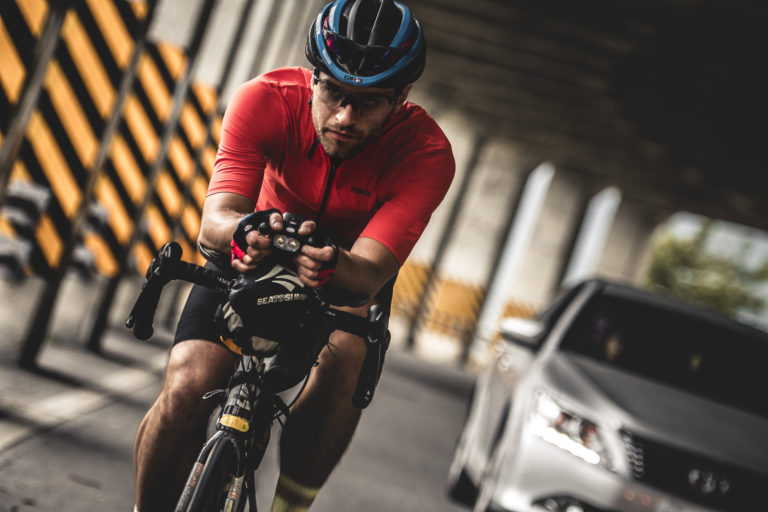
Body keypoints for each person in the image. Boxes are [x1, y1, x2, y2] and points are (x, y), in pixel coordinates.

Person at [133, 0, 455, 510]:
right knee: (187, 386)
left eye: (369, 102)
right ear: (313, 77)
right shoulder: (264, 100)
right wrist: (244, 232)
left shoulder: (426, 154)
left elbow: (368, 273)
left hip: (346, 268)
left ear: (403, 97)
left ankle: (290, 506)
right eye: (333, 93)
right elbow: (214, 225)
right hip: (253, 246)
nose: (344, 117)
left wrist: (331, 264)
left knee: (344, 362)